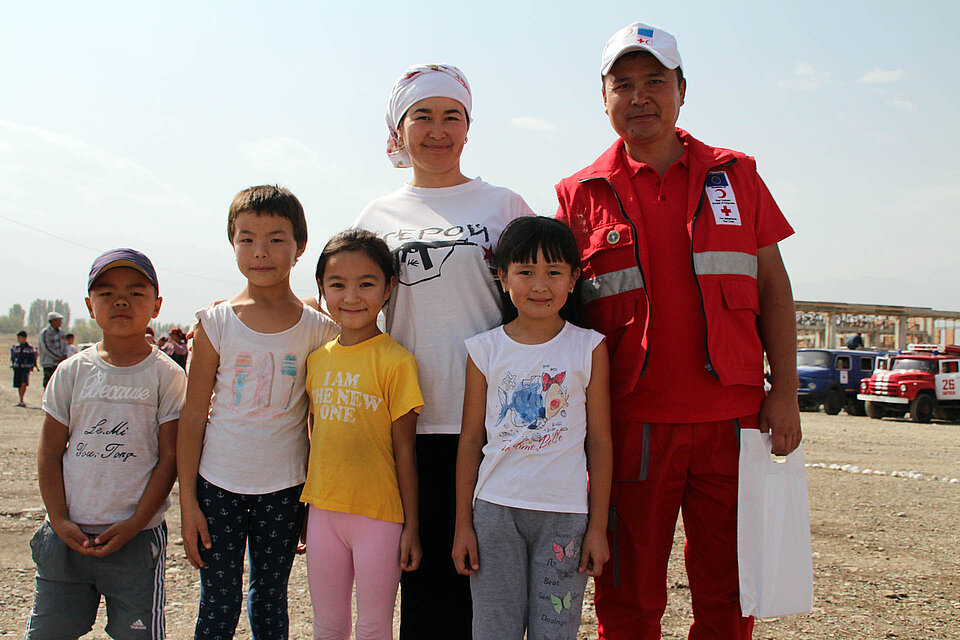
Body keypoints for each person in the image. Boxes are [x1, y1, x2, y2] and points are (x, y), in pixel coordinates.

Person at [554, 22, 801, 640]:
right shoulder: (576, 196)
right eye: (624, 84)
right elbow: (558, 310)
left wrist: (788, 391)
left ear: (682, 90)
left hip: (733, 422)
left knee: (729, 593)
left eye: (655, 82)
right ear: (604, 98)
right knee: (628, 595)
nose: (640, 97)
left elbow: (773, 286)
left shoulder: (736, 176)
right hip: (629, 426)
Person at [353, 63, 534, 638]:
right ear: (398, 130)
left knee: (491, 580)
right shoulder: (376, 217)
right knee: (426, 575)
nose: (438, 130)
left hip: (497, 421)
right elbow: (351, 313)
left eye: (451, 117)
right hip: (410, 420)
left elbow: (542, 299)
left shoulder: (503, 205)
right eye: (422, 117)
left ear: (468, 127)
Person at [177, 185, 339, 640]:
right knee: (218, 602)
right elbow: (193, 417)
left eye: (275, 239)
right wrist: (188, 501)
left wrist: (313, 497)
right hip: (217, 486)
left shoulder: (319, 329)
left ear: (299, 247)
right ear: (232, 244)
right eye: (246, 238)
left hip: (285, 489)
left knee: (270, 600)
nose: (260, 252)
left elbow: (317, 420)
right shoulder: (215, 323)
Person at [452, 217, 613, 640]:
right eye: (525, 272)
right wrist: (462, 525)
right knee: (493, 631)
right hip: (493, 512)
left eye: (554, 272)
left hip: (566, 517)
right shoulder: (484, 349)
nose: (539, 285)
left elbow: (599, 442)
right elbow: (470, 441)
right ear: (502, 277)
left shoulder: (589, 347)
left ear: (574, 278)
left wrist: (597, 528)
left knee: (555, 631)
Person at [26, 248, 186, 639]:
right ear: (89, 305)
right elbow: (49, 454)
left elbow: (169, 458)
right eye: (106, 292)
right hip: (65, 536)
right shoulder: (71, 371)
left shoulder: (167, 376)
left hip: (136, 537)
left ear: (156, 305)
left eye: (135, 292)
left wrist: (134, 524)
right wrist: (60, 519)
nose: (120, 300)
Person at [302, 229, 423, 639]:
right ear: (321, 288)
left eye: (366, 284)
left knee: (374, 626)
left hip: (380, 518)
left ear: (388, 288)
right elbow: (314, 435)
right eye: (337, 285)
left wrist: (412, 526)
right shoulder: (316, 360)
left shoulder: (397, 361)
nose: (351, 297)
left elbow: (404, 450)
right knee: (328, 624)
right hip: (322, 512)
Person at [38, 311, 67, 388]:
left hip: (60, 363)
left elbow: (64, 345)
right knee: (48, 384)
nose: (60, 322)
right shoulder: (45, 333)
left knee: (59, 384)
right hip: (49, 363)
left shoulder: (62, 333)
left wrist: (64, 356)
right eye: (59, 320)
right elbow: (46, 348)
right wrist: (58, 357)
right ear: (53, 321)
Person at [10, 330, 38, 407]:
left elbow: (33, 357)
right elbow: (13, 357)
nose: (19, 339)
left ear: (25, 338)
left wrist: (32, 366)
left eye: (20, 337)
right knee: (18, 384)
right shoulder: (16, 347)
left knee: (24, 383)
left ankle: (22, 399)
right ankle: (21, 399)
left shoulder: (30, 348)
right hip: (17, 368)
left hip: (25, 368)